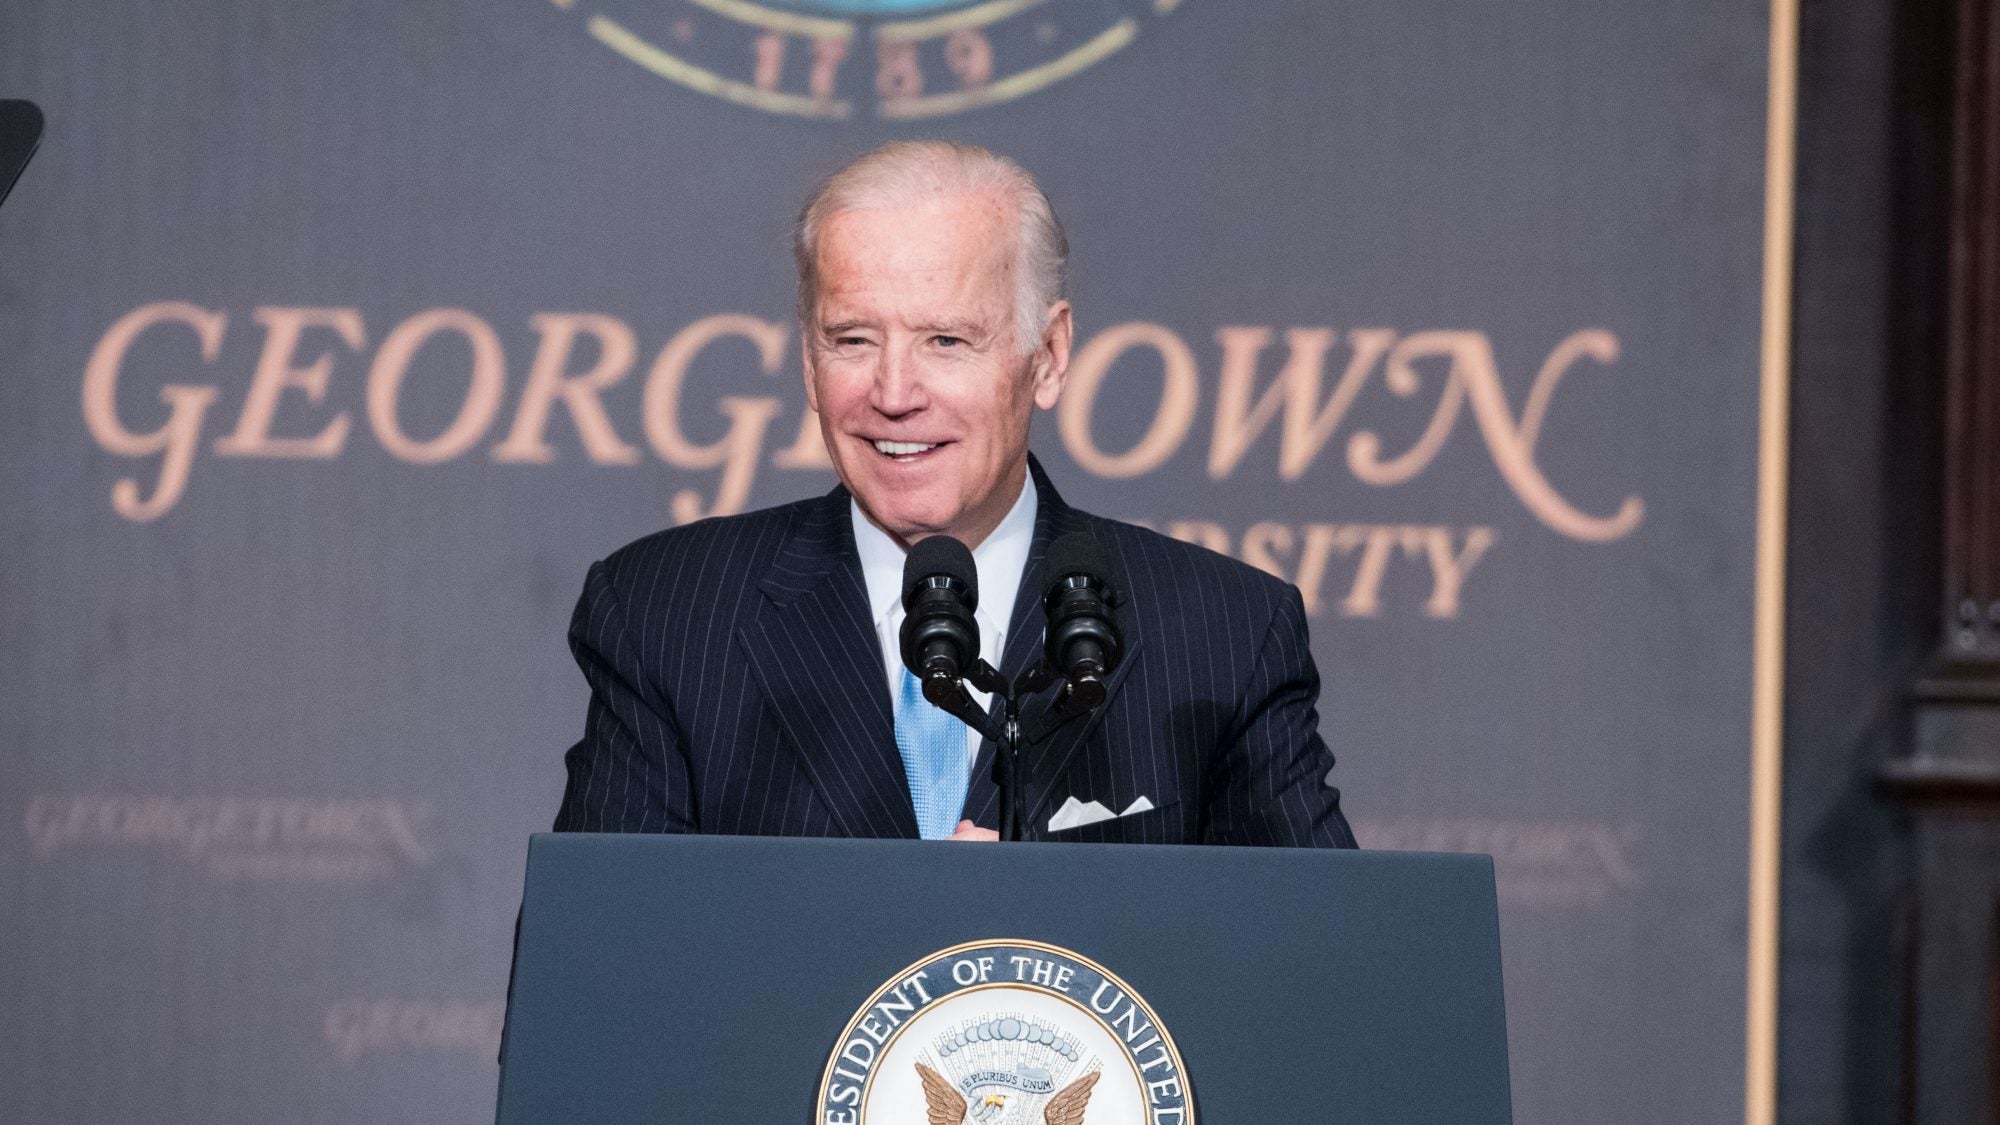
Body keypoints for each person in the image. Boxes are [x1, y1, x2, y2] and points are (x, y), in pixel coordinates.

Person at [554, 141, 1355, 847]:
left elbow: (1326, 976)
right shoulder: (666, 614)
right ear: (807, 358)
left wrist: (1050, 931)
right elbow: (600, 984)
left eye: (946, 340)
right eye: (853, 339)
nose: (894, 392)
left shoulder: (1224, 633)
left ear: (1047, 355)